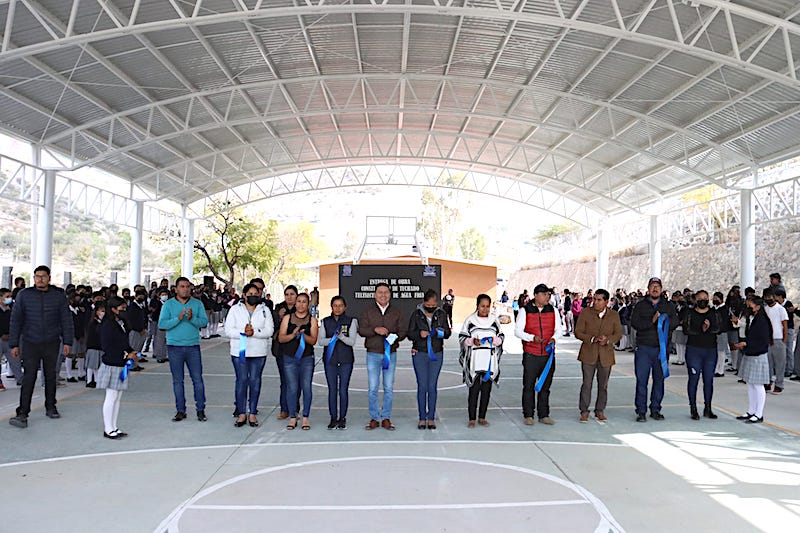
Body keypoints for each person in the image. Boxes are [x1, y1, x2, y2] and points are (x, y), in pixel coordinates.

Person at [8, 266, 74, 429]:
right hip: (30, 342)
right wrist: (14, 344)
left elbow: (66, 320)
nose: (40, 280)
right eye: (37, 277)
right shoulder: (24, 295)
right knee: (29, 377)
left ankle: (51, 406)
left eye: (43, 277)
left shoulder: (58, 296)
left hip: (52, 342)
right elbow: (15, 321)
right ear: (34, 278)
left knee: (51, 375)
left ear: (49, 278)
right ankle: (23, 412)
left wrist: (68, 342)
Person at [158, 277, 209, 422]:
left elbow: (204, 322)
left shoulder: (197, 304)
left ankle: (200, 409)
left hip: (192, 346)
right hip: (174, 347)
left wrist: (192, 319)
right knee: (177, 380)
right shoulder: (168, 305)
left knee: (197, 379)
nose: (185, 289)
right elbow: (162, 324)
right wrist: (178, 319)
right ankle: (181, 410)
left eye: (187, 286)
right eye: (182, 286)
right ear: (176, 288)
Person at [359, 282, 407, 431]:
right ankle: (374, 417)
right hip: (372, 354)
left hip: (390, 354)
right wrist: (375, 329)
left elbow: (403, 331)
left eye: (386, 292)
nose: (383, 295)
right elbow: (361, 330)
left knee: (388, 387)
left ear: (390, 295)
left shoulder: (396, 312)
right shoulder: (368, 311)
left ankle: (386, 417)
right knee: (373, 387)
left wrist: (395, 337)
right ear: (375, 295)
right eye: (380, 292)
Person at [224, 283, 274, 428]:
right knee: (241, 381)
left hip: (258, 352)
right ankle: (241, 413)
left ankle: (252, 413)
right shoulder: (235, 309)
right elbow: (228, 330)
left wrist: (255, 333)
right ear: (244, 295)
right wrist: (243, 333)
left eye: (256, 293)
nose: (253, 296)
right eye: (250, 293)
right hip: (239, 351)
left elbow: (269, 330)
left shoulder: (265, 310)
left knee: (255, 381)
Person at [630, 277, 678, 422]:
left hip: (661, 349)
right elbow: (634, 323)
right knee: (642, 380)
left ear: (661, 289)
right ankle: (641, 411)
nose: (655, 289)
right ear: (648, 289)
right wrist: (651, 322)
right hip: (644, 347)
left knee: (659, 380)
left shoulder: (668, 306)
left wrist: (664, 324)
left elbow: (675, 322)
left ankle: (656, 409)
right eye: (652, 286)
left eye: (657, 286)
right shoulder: (640, 305)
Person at [514, 283, 561, 426]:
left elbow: (558, 329)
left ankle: (544, 414)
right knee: (528, 385)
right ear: (536, 295)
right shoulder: (525, 310)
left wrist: (554, 338)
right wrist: (531, 338)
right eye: (544, 294)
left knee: (545, 386)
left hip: (548, 355)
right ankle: (528, 414)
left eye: (548, 294)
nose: (547, 297)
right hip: (531, 354)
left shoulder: (553, 310)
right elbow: (517, 331)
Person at [574, 289, 622, 423]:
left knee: (603, 385)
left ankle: (600, 410)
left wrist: (608, 339)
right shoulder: (585, 313)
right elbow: (578, 332)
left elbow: (618, 334)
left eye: (599, 299)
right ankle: (584, 411)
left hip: (606, 355)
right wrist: (592, 338)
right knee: (587, 384)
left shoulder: (614, 315)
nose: (595, 302)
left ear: (606, 302)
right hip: (588, 353)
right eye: (594, 299)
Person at [407, 289, 452, 430]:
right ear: (423, 302)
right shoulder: (416, 314)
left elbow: (448, 333)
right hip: (419, 353)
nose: (431, 307)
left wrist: (441, 332)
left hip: (436, 353)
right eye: (428, 305)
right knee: (422, 386)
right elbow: (409, 333)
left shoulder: (441, 314)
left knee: (432, 386)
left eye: (433, 305)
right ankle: (421, 417)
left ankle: (431, 417)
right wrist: (419, 334)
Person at [97, 296, 141, 439]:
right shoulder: (107, 325)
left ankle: (114, 426)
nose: (124, 309)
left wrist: (131, 351)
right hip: (112, 364)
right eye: (121, 307)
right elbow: (108, 346)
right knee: (111, 396)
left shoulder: (119, 323)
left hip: (121, 365)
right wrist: (125, 356)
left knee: (117, 397)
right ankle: (108, 428)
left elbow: (123, 342)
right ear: (113, 309)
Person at [459, 294, 504, 428]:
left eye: (487, 306)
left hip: (489, 360)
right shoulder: (470, 320)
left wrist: (495, 341)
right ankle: (472, 418)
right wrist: (472, 341)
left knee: (486, 390)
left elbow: (501, 336)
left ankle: (482, 417)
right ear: (477, 306)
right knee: (474, 390)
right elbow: (462, 338)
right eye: (482, 306)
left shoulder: (494, 320)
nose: (485, 309)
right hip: (475, 360)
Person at [278, 293, 318, 431]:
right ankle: (293, 416)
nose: (301, 304)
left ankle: (305, 417)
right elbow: (281, 338)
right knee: (292, 388)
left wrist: (302, 335)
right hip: (289, 358)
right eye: (299, 301)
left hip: (306, 358)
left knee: (306, 387)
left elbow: (313, 340)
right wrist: (293, 335)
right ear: (295, 303)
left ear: (308, 304)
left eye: (304, 302)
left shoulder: (312, 320)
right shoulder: (287, 318)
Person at [317, 296, 358, 430]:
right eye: (335, 305)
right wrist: (333, 339)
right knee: (332, 389)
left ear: (345, 307)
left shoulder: (351, 321)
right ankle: (333, 417)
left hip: (346, 360)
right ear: (331, 307)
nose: (338, 308)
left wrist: (340, 336)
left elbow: (351, 342)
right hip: (330, 360)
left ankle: (342, 418)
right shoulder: (325, 321)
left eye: (340, 305)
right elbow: (321, 341)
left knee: (343, 390)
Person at [683, 290, 721, 420]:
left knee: (708, 380)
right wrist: (701, 329)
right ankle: (693, 408)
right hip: (694, 350)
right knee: (694, 378)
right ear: (695, 300)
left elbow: (718, 328)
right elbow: (686, 330)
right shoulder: (690, 313)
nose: (703, 300)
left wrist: (708, 328)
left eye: (705, 298)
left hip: (710, 350)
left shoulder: (713, 313)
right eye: (700, 298)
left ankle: (708, 407)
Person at [733, 296, 771, 423]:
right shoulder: (753, 319)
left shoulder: (762, 320)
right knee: (750, 384)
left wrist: (746, 344)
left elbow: (762, 340)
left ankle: (759, 413)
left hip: (758, 355)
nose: (748, 307)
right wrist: (745, 344)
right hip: (751, 353)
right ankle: (751, 410)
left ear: (758, 307)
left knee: (758, 385)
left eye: (751, 305)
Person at [272, 285, 298, 420]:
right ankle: (284, 409)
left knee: (295, 381)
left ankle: (295, 409)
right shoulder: (278, 308)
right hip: (281, 349)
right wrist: (280, 318)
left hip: (296, 349)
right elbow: (272, 327)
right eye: (287, 294)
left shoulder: (300, 308)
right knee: (285, 380)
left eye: (292, 294)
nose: (289, 297)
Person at [762, 288, 788, 394]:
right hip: (767, 340)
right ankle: (768, 382)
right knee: (768, 363)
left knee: (780, 363)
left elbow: (784, 325)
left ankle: (779, 384)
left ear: (774, 297)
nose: (768, 299)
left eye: (770, 297)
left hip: (778, 339)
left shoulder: (780, 309)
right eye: (766, 297)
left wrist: (784, 340)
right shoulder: (764, 309)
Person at [0, 288, 22, 389]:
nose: (9, 299)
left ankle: (20, 379)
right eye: (7, 297)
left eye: (10, 297)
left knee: (15, 360)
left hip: (10, 339)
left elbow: (15, 324)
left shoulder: (12, 310)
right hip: (0, 339)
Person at [84, 304, 105, 388]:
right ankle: (89, 380)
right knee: (91, 365)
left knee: (97, 365)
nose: (103, 312)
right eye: (101, 311)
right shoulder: (93, 323)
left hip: (99, 346)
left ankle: (96, 380)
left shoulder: (101, 322)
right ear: (96, 312)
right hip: (93, 346)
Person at [150, 288, 169, 363]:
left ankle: (164, 355)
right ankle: (159, 356)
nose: (164, 296)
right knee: (159, 340)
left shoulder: (168, 303)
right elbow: (155, 315)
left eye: (165, 295)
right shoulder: (158, 304)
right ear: (159, 296)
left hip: (168, 324)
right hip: (160, 324)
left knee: (166, 341)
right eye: (163, 295)